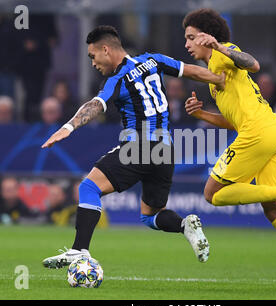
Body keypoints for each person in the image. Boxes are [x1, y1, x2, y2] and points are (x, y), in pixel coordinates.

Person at [41, 25, 226, 268]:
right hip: (166, 151)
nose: (93, 63)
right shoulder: (153, 60)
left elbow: (95, 106)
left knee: (88, 188)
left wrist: (68, 127)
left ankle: (79, 251)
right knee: (150, 216)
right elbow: (188, 70)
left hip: (140, 147)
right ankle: (184, 225)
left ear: (105, 49)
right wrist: (217, 78)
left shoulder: (116, 79)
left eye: (93, 56)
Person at [182, 8, 276, 289]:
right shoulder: (215, 81)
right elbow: (234, 122)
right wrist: (201, 115)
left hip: (259, 133)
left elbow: (253, 64)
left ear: (205, 36)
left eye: (191, 38)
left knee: (211, 193)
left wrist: (219, 46)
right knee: (273, 209)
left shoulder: (223, 52)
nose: (187, 45)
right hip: (274, 131)